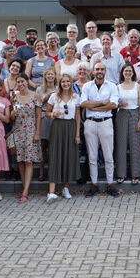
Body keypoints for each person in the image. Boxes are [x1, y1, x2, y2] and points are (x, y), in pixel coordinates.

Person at [79, 62, 120, 197]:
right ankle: (94, 184)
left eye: (102, 69)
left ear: (105, 71)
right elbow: (83, 103)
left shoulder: (112, 86)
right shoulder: (87, 86)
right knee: (92, 156)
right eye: (97, 69)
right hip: (90, 124)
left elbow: (113, 105)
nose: (100, 71)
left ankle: (110, 184)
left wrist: (94, 107)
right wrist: (103, 102)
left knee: (108, 155)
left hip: (106, 122)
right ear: (93, 71)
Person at [44, 74, 81, 202]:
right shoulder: (54, 96)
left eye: (67, 81)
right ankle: (51, 192)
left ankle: (66, 188)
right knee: (55, 155)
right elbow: (47, 113)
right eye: (63, 82)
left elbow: (77, 117)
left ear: (71, 83)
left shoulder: (76, 97)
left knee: (68, 156)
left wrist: (77, 134)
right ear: (59, 83)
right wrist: (53, 114)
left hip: (70, 127)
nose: (65, 83)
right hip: (57, 126)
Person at [10, 73, 39, 203]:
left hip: (30, 130)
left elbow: (39, 116)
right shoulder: (14, 97)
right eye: (18, 82)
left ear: (27, 82)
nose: (20, 84)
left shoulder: (35, 96)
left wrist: (37, 132)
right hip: (18, 130)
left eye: (22, 81)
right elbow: (11, 117)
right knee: (20, 161)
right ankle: (23, 188)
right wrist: (12, 113)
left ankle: (26, 192)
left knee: (29, 161)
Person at [115, 64, 140, 185]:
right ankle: (121, 174)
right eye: (125, 71)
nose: (127, 73)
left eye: (129, 71)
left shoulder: (138, 86)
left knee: (135, 144)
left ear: (133, 73)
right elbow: (114, 103)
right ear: (122, 73)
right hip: (121, 115)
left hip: (135, 114)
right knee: (121, 145)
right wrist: (120, 104)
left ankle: (135, 174)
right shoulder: (118, 87)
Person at [34, 67, 57, 181]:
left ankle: (53, 171)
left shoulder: (59, 88)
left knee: (53, 147)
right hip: (43, 117)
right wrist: (46, 99)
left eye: (52, 74)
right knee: (42, 147)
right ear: (45, 76)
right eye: (48, 75)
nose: (50, 77)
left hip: (54, 117)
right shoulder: (39, 89)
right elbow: (36, 105)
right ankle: (42, 172)